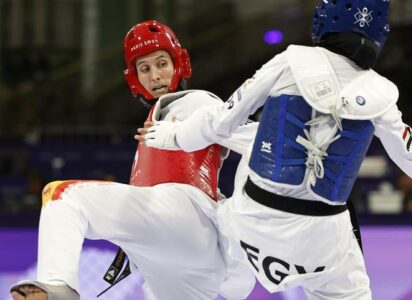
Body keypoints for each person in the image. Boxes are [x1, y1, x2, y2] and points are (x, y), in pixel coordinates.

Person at [141, 1, 412, 298]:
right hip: (321, 243)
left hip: (251, 225)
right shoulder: (379, 94)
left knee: (255, 142)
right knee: (351, 281)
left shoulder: (290, 62)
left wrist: (169, 136)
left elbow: (221, 122)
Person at [9, 20, 255, 300]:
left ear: (180, 64)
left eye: (162, 63)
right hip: (182, 258)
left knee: (63, 196)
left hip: (188, 216)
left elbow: (258, 141)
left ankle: (58, 287)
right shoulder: (153, 125)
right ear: (135, 79)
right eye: (145, 69)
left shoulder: (196, 102)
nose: (155, 76)